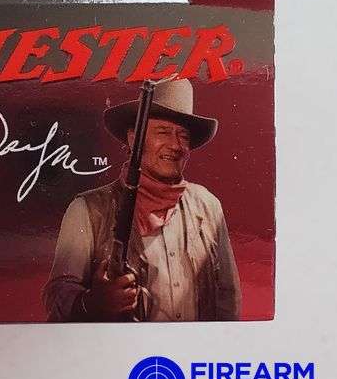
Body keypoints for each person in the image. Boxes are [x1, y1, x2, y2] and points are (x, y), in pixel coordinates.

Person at [43, 79, 241, 322]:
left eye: (183, 135)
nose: (175, 145)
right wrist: (91, 304)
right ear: (133, 138)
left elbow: (228, 298)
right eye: (163, 132)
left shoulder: (208, 206)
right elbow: (57, 297)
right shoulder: (87, 210)